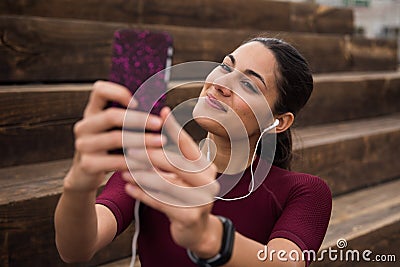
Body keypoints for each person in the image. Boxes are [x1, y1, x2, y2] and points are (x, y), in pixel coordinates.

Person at [55, 37, 332, 267]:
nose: (220, 85)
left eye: (249, 84)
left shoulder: (304, 192)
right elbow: (77, 249)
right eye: (225, 67)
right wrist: (79, 184)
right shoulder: (152, 165)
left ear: (278, 122)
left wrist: (208, 236)